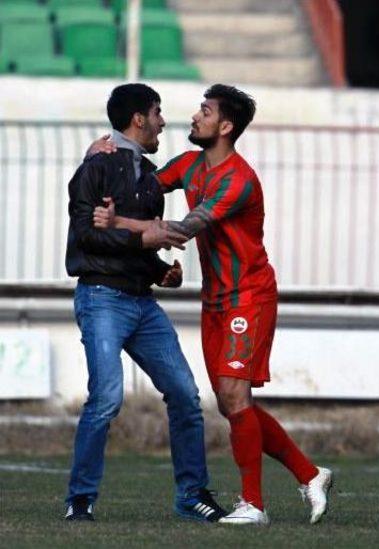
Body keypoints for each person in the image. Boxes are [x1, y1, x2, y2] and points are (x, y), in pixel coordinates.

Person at [91, 84, 333, 526]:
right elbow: (143, 183)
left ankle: (253, 505)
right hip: (216, 301)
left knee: (237, 397)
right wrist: (107, 153)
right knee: (229, 403)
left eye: (204, 111)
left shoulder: (238, 180)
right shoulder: (190, 164)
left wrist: (119, 222)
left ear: (224, 126)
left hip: (250, 296)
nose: (193, 117)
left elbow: (187, 227)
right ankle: (309, 474)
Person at [65, 83, 226, 523]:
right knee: (106, 399)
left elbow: (135, 244)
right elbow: (85, 235)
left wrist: (160, 271)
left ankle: (192, 495)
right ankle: (80, 499)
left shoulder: (150, 178)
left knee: (185, 395)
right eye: (157, 112)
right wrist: (141, 235)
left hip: (141, 300)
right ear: (138, 118)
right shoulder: (96, 166)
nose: (162, 121)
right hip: (101, 297)